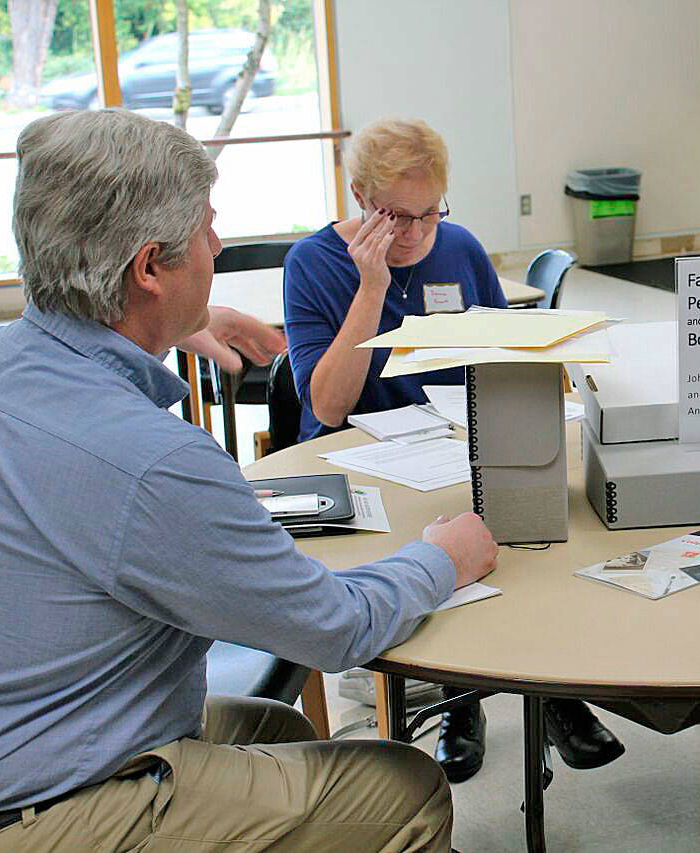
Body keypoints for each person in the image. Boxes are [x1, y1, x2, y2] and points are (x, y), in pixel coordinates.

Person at [0, 108, 500, 852]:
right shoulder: (156, 460)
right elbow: (336, 628)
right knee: (404, 786)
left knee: (279, 729)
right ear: (148, 268)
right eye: (205, 229)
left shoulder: (10, 368)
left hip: (26, 729)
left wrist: (171, 323)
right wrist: (443, 558)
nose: (218, 245)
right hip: (52, 802)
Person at [283, 117, 624, 782]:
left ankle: (547, 693)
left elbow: (503, 360)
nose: (415, 233)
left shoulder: (460, 250)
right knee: (443, 543)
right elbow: (327, 406)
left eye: (429, 213)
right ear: (359, 197)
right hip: (361, 474)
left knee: (532, 535)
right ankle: (460, 705)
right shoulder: (314, 264)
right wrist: (372, 287)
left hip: (454, 456)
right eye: (397, 217)